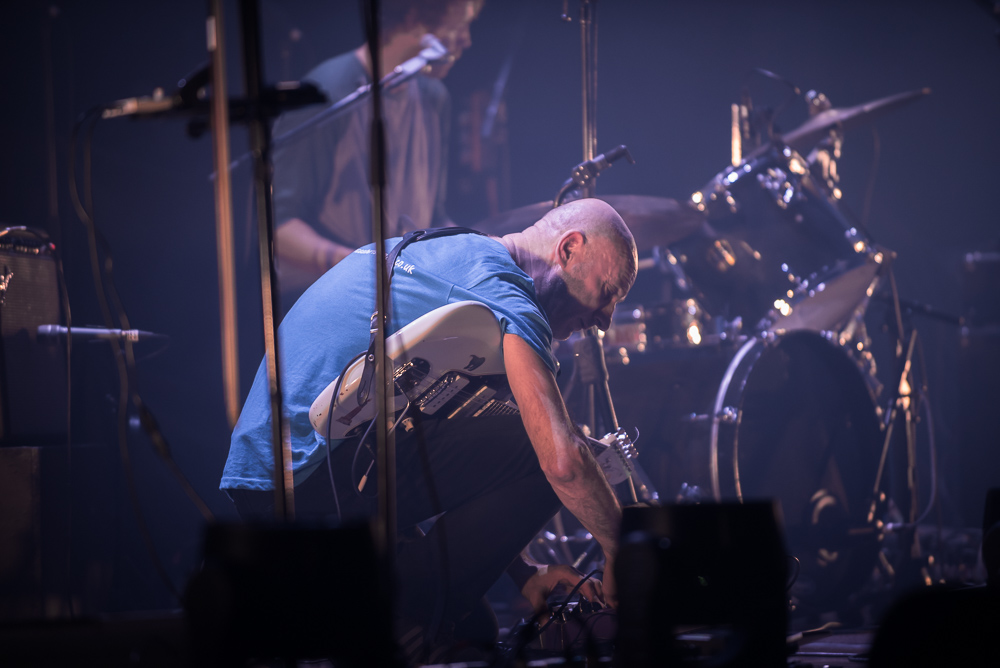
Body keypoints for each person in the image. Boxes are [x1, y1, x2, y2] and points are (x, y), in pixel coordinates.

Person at [221, 198, 637, 660]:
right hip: (305, 483)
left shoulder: (457, 259)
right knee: (556, 448)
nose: (605, 321)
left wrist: (526, 574)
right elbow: (561, 461)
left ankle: (398, 623)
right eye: (610, 291)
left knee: (475, 627)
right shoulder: (502, 289)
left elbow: (437, 449)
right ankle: (383, 635)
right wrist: (623, 549)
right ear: (569, 249)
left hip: (280, 480)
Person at [271, 0, 482, 305]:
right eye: (459, 24)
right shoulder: (327, 93)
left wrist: (478, 249)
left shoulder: (433, 97)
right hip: (327, 300)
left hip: (401, 296)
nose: (467, 39)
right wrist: (366, 268)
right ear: (414, 17)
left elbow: (431, 217)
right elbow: (278, 228)